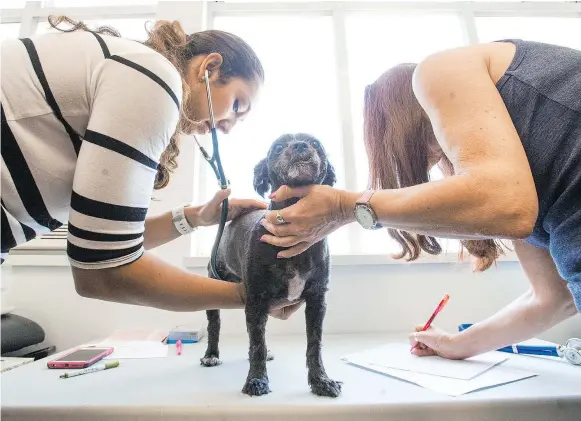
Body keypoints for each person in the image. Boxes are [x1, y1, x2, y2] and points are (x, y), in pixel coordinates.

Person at [260, 39, 581, 358]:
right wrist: (458, 345)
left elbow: (509, 205)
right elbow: (553, 297)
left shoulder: (437, 72)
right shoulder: (515, 175)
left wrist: (346, 207)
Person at [0, 16, 300, 319]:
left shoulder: (130, 72)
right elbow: (102, 271)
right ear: (209, 68)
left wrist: (194, 218)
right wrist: (249, 295)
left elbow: (103, 238)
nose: (227, 128)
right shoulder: (153, 76)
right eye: (237, 105)